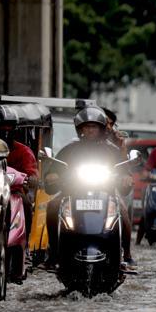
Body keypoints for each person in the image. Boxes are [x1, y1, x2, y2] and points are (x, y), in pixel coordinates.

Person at [43, 107, 134, 270]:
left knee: (123, 211)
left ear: (101, 128)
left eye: (94, 126)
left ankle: (126, 255)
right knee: (52, 206)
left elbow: (124, 171)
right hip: (71, 193)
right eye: (86, 126)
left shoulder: (112, 150)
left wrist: (126, 178)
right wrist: (52, 176)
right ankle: (54, 253)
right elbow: (53, 170)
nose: (90, 130)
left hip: (107, 194)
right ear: (80, 129)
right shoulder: (69, 149)